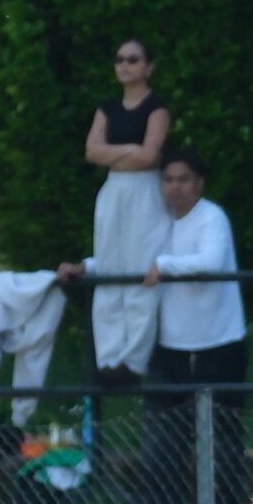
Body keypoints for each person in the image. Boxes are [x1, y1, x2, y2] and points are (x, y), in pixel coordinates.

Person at [63, 146, 244, 504]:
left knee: (222, 430)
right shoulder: (159, 220)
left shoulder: (212, 218)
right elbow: (129, 259)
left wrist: (164, 265)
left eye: (184, 180)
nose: (176, 188)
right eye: (169, 180)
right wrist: (87, 267)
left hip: (218, 342)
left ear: (199, 183)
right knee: (163, 431)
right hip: (170, 345)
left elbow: (210, 261)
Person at [79, 37, 173, 384]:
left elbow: (150, 156)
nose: (125, 65)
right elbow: (91, 151)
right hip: (114, 190)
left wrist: (115, 152)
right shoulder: (107, 108)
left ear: (148, 66)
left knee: (138, 267)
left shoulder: (157, 107)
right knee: (110, 268)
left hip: (145, 191)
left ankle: (134, 359)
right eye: (120, 59)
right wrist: (130, 150)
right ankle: (108, 358)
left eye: (133, 60)